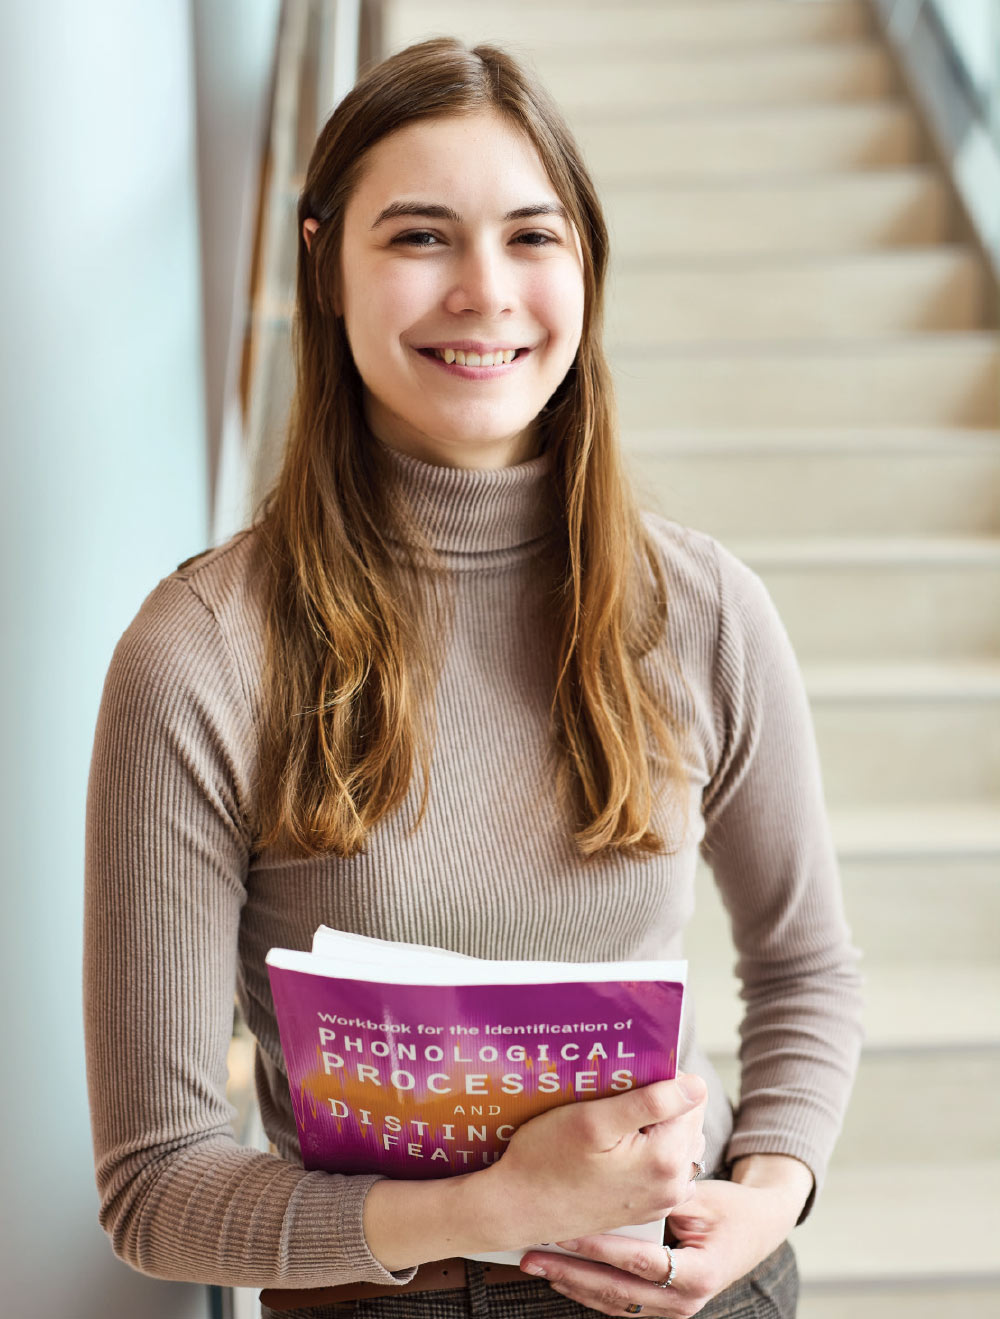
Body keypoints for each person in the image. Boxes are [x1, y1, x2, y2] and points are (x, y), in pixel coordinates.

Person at [83, 36, 863, 1319]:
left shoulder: (704, 609)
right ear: (326, 266)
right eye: (419, 238)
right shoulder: (200, 653)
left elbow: (804, 965)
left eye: (531, 236)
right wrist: (493, 1209)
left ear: (585, 267)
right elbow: (154, 1186)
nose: (484, 290)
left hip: (686, 1283)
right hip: (374, 1298)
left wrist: (768, 1194)